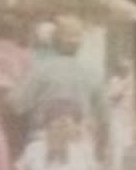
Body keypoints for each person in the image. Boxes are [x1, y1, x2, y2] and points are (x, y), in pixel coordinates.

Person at [8, 15, 108, 162]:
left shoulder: (39, 71)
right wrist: (101, 148)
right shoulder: (93, 74)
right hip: (80, 144)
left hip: (43, 143)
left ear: (54, 42)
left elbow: (16, 105)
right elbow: (104, 118)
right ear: (80, 44)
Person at [105, 60, 136, 170]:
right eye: (125, 69)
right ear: (119, 70)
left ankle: (116, 165)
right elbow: (113, 97)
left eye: (128, 69)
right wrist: (123, 90)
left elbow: (131, 100)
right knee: (118, 142)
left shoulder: (129, 81)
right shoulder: (115, 81)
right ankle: (117, 168)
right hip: (117, 114)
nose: (127, 71)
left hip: (126, 115)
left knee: (125, 143)